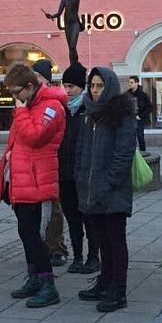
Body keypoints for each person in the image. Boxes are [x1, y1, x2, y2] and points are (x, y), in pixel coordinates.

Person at [0, 64, 67, 308]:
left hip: (37, 180)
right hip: (21, 180)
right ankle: (34, 277)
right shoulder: (28, 107)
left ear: (29, 87)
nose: (15, 99)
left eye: (17, 93)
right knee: (26, 233)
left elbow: (35, 137)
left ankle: (48, 284)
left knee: (35, 236)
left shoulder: (51, 107)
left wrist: (21, 112)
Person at [75, 67, 136, 312]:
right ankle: (104, 282)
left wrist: (108, 183)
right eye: (92, 86)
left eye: (99, 86)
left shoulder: (122, 116)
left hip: (113, 192)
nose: (95, 90)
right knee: (101, 241)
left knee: (115, 242)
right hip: (91, 191)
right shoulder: (89, 114)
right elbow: (81, 150)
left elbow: (123, 156)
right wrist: (81, 177)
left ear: (109, 86)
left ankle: (118, 291)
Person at [59, 62, 101, 274]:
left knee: (89, 218)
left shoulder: (89, 109)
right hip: (64, 174)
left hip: (83, 175)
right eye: (64, 86)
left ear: (81, 87)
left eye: (71, 86)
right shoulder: (61, 110)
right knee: (72, 218)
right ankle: (77, 256)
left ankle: (93, 257)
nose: (67, 91)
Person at [31, 59, 70, 267]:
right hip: (33, 164)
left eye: (36, 77)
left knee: (53, 208)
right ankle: (41, 246)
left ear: (44, 79)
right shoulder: (29, 101)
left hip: (52, 161)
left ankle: (56, 248)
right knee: (37, 209)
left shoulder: (53, 103)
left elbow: (38, 133)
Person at [43, 0, 81, 65]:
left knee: (73, 46)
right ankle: (72, 65)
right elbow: (59, 13)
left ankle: (76, 64)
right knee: (70, 47)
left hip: (75, 23)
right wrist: (51, 16)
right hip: (67, 23)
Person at [127, 76, 152, 152]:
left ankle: (143, 153)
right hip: (130, 119)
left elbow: (149, 107)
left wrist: (140, 116)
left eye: (131, 82)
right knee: (130, 138)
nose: (130, 84)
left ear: (136, 83)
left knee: (140, 137)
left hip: (139, 119)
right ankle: (131, 154)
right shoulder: (127, 94)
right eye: (129, 82)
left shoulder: (143, 95)